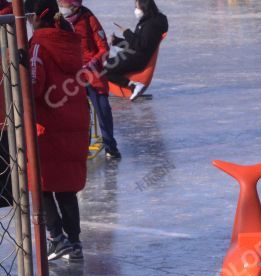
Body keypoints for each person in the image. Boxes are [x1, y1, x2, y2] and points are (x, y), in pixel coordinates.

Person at [25, 0, 89, 261]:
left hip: (48, 125)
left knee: (40, 183)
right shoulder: (70, 41)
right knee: (66, 187)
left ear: (36, 18)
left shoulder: (39, 44)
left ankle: (57, 238)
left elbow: (34, 86)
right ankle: (74, 242)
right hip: (74, 121)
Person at [58, 0, 120, 159]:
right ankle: (80, 146)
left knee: (102, 107)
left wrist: (94, 62)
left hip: (92, 72)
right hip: (72, 74)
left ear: (73, 6)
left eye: (62, 4)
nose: (60, 7)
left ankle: (110, 146)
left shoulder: (89, 18)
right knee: (76, 112)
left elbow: (104, 48)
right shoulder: (58, 21)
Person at [105, 0, 168, 100]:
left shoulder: (151, 25)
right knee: (102, 66)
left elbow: (140, 45)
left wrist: (126, 32)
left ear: (145, 7)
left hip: (137, 59)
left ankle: (133, 85)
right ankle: (131, 85)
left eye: (137, 7)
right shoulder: (147, 22)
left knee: (102, 68)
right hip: (133, 56)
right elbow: (136, 43)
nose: (136, 10)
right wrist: (116, 41)